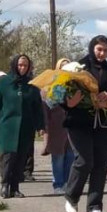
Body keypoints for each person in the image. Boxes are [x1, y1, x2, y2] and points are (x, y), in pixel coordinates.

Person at [63, 35, 107, 212]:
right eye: (99, 49)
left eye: (105, 50)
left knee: (100, 164)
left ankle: (94, 206)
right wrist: (71, 102)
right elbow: (61, 94)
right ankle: (72, 196)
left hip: (104, 124)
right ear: (92, 48)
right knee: (84, 161)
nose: (102, 53)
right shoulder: (78, 68)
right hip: (79, 122)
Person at [0, 54, 45, 199]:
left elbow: (37, 109)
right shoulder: (4, 83)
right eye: (20, 65)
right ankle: (5, 185)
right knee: (8, 157)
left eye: (25, 65)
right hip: (7, 126)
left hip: (25, 127)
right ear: (15, 65)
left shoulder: (32, 85)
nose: (22, 68)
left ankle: (15, 187)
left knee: (21, 158)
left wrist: (40, 126)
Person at [44, 58, 73, 193]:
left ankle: (68, 182)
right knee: (58, 155)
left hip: (72, 124)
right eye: (63, 67)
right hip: (57, 124)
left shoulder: (75, 84)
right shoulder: (56, 84)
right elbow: (49, 104)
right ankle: (58, 184)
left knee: (70, 156)